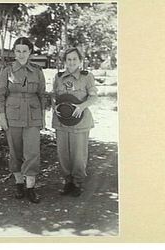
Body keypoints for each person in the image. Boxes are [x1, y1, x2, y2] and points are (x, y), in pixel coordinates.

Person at [0, 37, 46, 203]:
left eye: (25, 51)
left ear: (30, 52)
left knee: (32, 152)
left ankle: (30, 188)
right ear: (14, 52)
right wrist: (2, 116)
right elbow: (0, 95)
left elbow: (42, 95)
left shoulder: (37, 71)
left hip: (33, 116)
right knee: (15, 152)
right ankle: (19, 183)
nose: (21, 54)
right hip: (12, 116)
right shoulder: (7, 70)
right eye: (18, 51)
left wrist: (42, 118)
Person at [52, 47, 98, 197]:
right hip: (61, 121)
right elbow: (53, 96)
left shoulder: (87, 77)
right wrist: (55, 106)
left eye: (75, 59)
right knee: (63, 154)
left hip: (80, 121)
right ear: (65, 61)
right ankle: (67, 182)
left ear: (80, 61)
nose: (71, 62)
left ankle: (77, 182)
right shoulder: (58, 77)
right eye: (69, 59)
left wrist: (82, 106)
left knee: (78, 155)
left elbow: (93, 97)